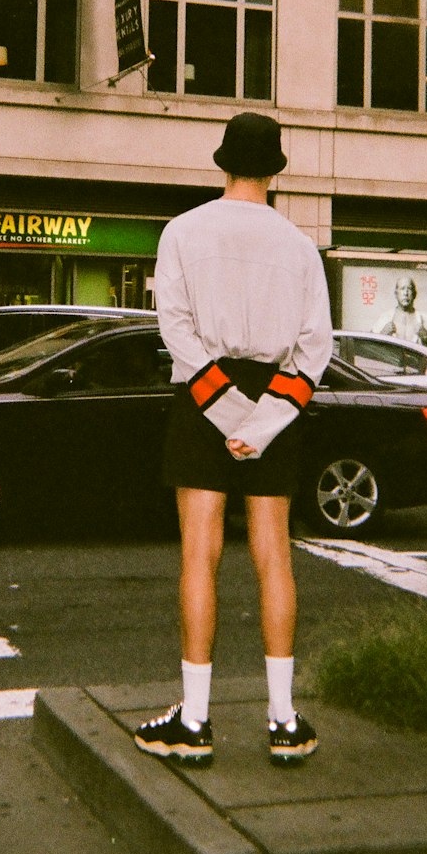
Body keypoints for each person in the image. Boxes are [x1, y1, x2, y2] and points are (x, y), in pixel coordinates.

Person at [134, 113, 334, 768]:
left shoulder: (183, 232)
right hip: (275, 398)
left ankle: (193, 720)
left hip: (203, 397)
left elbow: (178, 331)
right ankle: (284, 719)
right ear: (276, 170)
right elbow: (314, 349)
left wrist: (226, 413)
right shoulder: (300, 247)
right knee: (274, 555)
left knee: (201, 554)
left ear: (223, 163)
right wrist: (263, 420)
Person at [375, 275, 427, 350]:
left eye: (409, 289)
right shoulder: (385, 318)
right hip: (390, 361)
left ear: (414, 294)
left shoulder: (426, 319)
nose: (406, 293)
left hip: (417, 361)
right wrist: (382, 334)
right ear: (396, 294)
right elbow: (370, 346)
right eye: (402, 289)